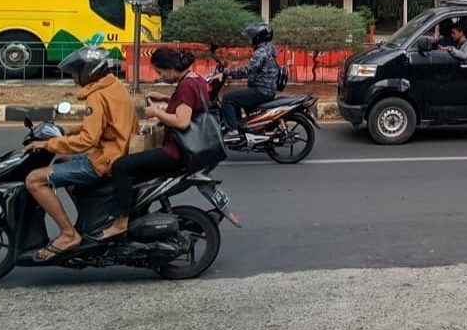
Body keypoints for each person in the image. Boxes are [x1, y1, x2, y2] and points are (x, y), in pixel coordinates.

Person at [24, 46, 138, 262]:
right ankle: (90, 220)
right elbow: (101, 125)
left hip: (104, 159)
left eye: (76, 72)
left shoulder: (97, 96)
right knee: (63, 160)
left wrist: (49, 144)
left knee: (34, 180)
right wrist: (67, 132)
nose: (74, 77)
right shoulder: (114, 86)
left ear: (89, 71)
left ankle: (68, 234)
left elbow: (88, 140)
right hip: (116, 150)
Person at [96, 47, 209, 241]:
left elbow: (182, 121)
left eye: (160, 72)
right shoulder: (195, 80)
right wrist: (167, 98)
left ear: (169, 68)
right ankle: (137, 213)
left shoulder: (186, 86)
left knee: (121, 167)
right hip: (186, 149)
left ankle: (119, 224)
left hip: (176, 152)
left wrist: (157, 113)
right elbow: (191, 104)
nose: (160, 76)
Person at [220, 21, 278, 137]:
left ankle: (233, 129)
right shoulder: (267, 49)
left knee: (228, 99)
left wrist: (229, 72)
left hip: (262, 90)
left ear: (259, 37)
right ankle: (240, 126)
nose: (251, 39)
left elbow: (249, 69)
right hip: (265, 88)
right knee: (235, 98)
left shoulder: (262, 52)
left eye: (253, 36)